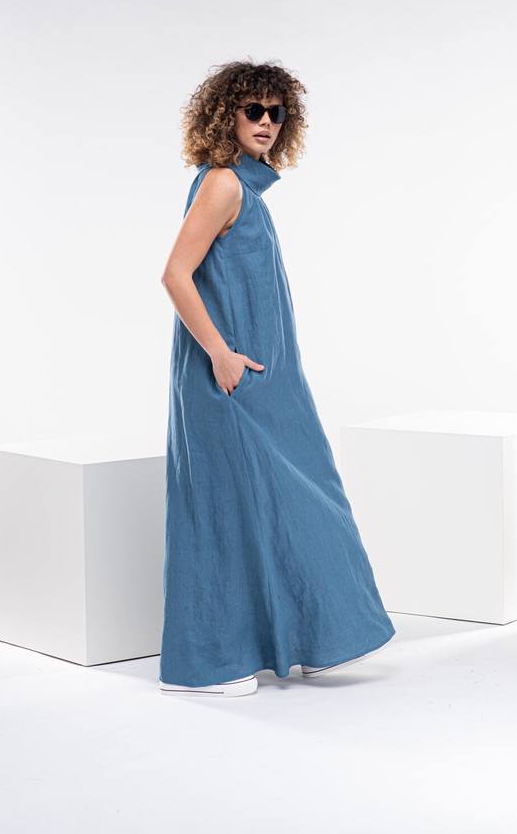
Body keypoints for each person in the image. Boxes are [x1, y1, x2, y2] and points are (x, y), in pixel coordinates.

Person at [158, 60, 396, 697]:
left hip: (269, 382)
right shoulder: (222, 185)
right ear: (226, 117)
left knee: (293, 502)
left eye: (276, 112)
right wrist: (221, 355)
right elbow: (175, 275)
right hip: (231, 381)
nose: (266, 122)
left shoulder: (245, 189)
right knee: (225, 513)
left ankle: (312, 638)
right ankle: (207, 665)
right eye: (253, 111)